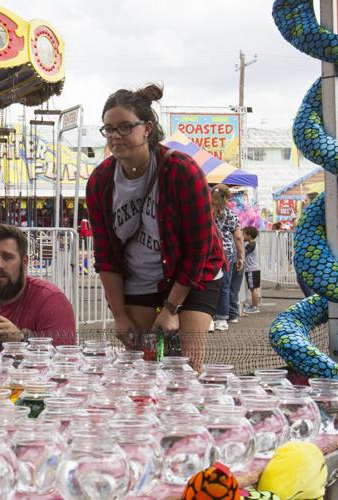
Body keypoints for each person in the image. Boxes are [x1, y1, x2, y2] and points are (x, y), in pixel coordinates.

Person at [85, 84, 225, 369]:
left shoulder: (182, 171)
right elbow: (105, 256)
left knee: (186, 366)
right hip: (140, 279)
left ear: (147, 128)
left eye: (125, 127)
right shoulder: (100, 180)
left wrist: (171, 308)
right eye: (109, 129)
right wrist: (119, 315)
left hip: (194, 275)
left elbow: (199, 248)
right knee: (144, 365)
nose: (115, 136)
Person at [0, 224, 76, 350]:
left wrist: (19, 341)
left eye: (7, 257)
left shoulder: (51, 301)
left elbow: (62, 362)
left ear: (24, 262)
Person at [211, 184, 243, 332]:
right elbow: (237, 237)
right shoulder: (230, 215)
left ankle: (208, 318)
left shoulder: (204, 212)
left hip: (208, 251)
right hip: (226, 253)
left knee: (207, 286)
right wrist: (240, 256)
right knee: (224, 286)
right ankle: (222, 319)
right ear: (225, 198)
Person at [242, 226, 261, 314]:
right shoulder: (253, 244)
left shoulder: (251, 245)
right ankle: (254, 305)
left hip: (251, 269)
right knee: (253, 288)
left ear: (249, 236)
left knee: (253, 288)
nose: (242, 236)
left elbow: (243, 253)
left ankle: (255, 307)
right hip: (253, 269)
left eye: (244, 234)